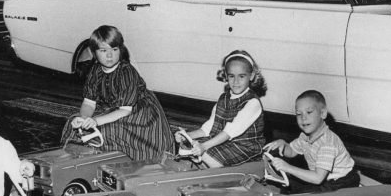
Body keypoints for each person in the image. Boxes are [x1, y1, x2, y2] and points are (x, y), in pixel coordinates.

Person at [264, 90, 358, 196]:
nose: (303, 118)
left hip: (342, 181)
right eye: (298, 114)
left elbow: (317, 179)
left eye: (309, 112)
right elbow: (292, 151)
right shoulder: (306, 136)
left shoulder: (328, 142)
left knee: (310, 195)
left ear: (323, 113)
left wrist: (287, 167)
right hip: (324, 177)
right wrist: (282, 144)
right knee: (291, 185)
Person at [65, 25, 174, 160]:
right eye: (103, 50)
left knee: (109, 130)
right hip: (112, 108)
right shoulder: (95, 71)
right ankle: (83, 160)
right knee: (73, 123)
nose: (110, 55)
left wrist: (96, 121)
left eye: (114, 49)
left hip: (137, 113)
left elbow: (125, 110)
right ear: (94, 53)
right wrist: (84, 119)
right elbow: (89, 102)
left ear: (120, 50)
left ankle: (115, 162)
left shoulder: (126, 72)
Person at [180, 50, 266, 167]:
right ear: (226, 76)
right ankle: (204, 169)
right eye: (231, 76)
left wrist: (204, 147)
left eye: (241, 76)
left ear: (251, 76)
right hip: (225, 142)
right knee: (190, 146)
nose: (236, 81)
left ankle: (216, 177)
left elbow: (229, 132)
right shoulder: (223, 98)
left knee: (204, 152)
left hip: (245, 148)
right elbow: (208, 128)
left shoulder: (252, 102)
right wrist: (186, 136)